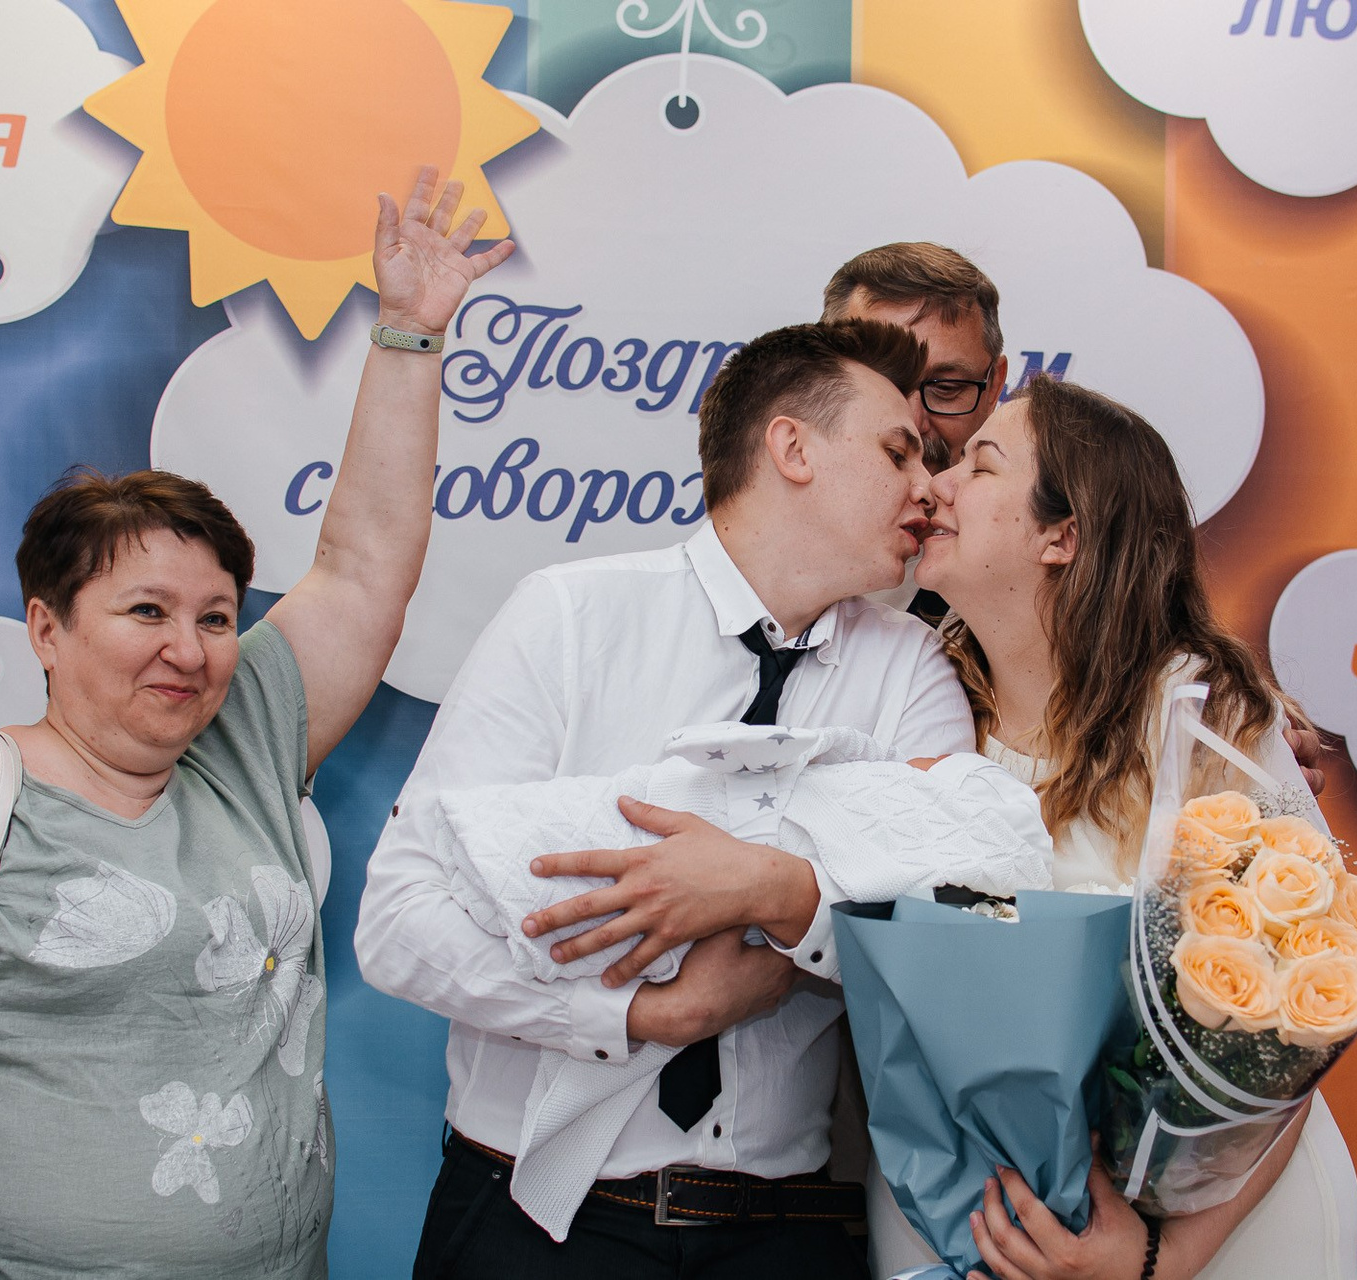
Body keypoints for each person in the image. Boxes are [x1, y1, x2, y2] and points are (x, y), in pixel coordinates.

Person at [0, 168, 510, 1280]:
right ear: (46, 627)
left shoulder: (245, 737)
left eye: (216, 616)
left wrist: (411, 333)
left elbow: (364, 565)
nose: (191, 647)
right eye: (146, 612)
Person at [356, 318, 1046, 1279]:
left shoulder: (912, 671)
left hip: (782, 1227)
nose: (930, 488)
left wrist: (775, 893)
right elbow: (397, 921)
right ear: (793, 448)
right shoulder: (569, 616)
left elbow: (952, 923)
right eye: (899, 453)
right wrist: (640, 1015)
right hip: (529, 1217)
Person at [890, 373, 1357, 1280]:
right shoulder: (916, 706)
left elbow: (1291, 1027)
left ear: (1062, 536)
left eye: (979, 466)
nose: (935, 485)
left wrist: (1157, 1259)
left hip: (1222, 1234)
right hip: (989, 1227)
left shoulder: (1201, 715)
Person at [820, 242, 1326, 795]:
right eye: (885, 385)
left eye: (946, 387)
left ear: (994, 385)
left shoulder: (1187, 709)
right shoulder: (769, 557)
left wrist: (1235, 729)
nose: (913, 421)